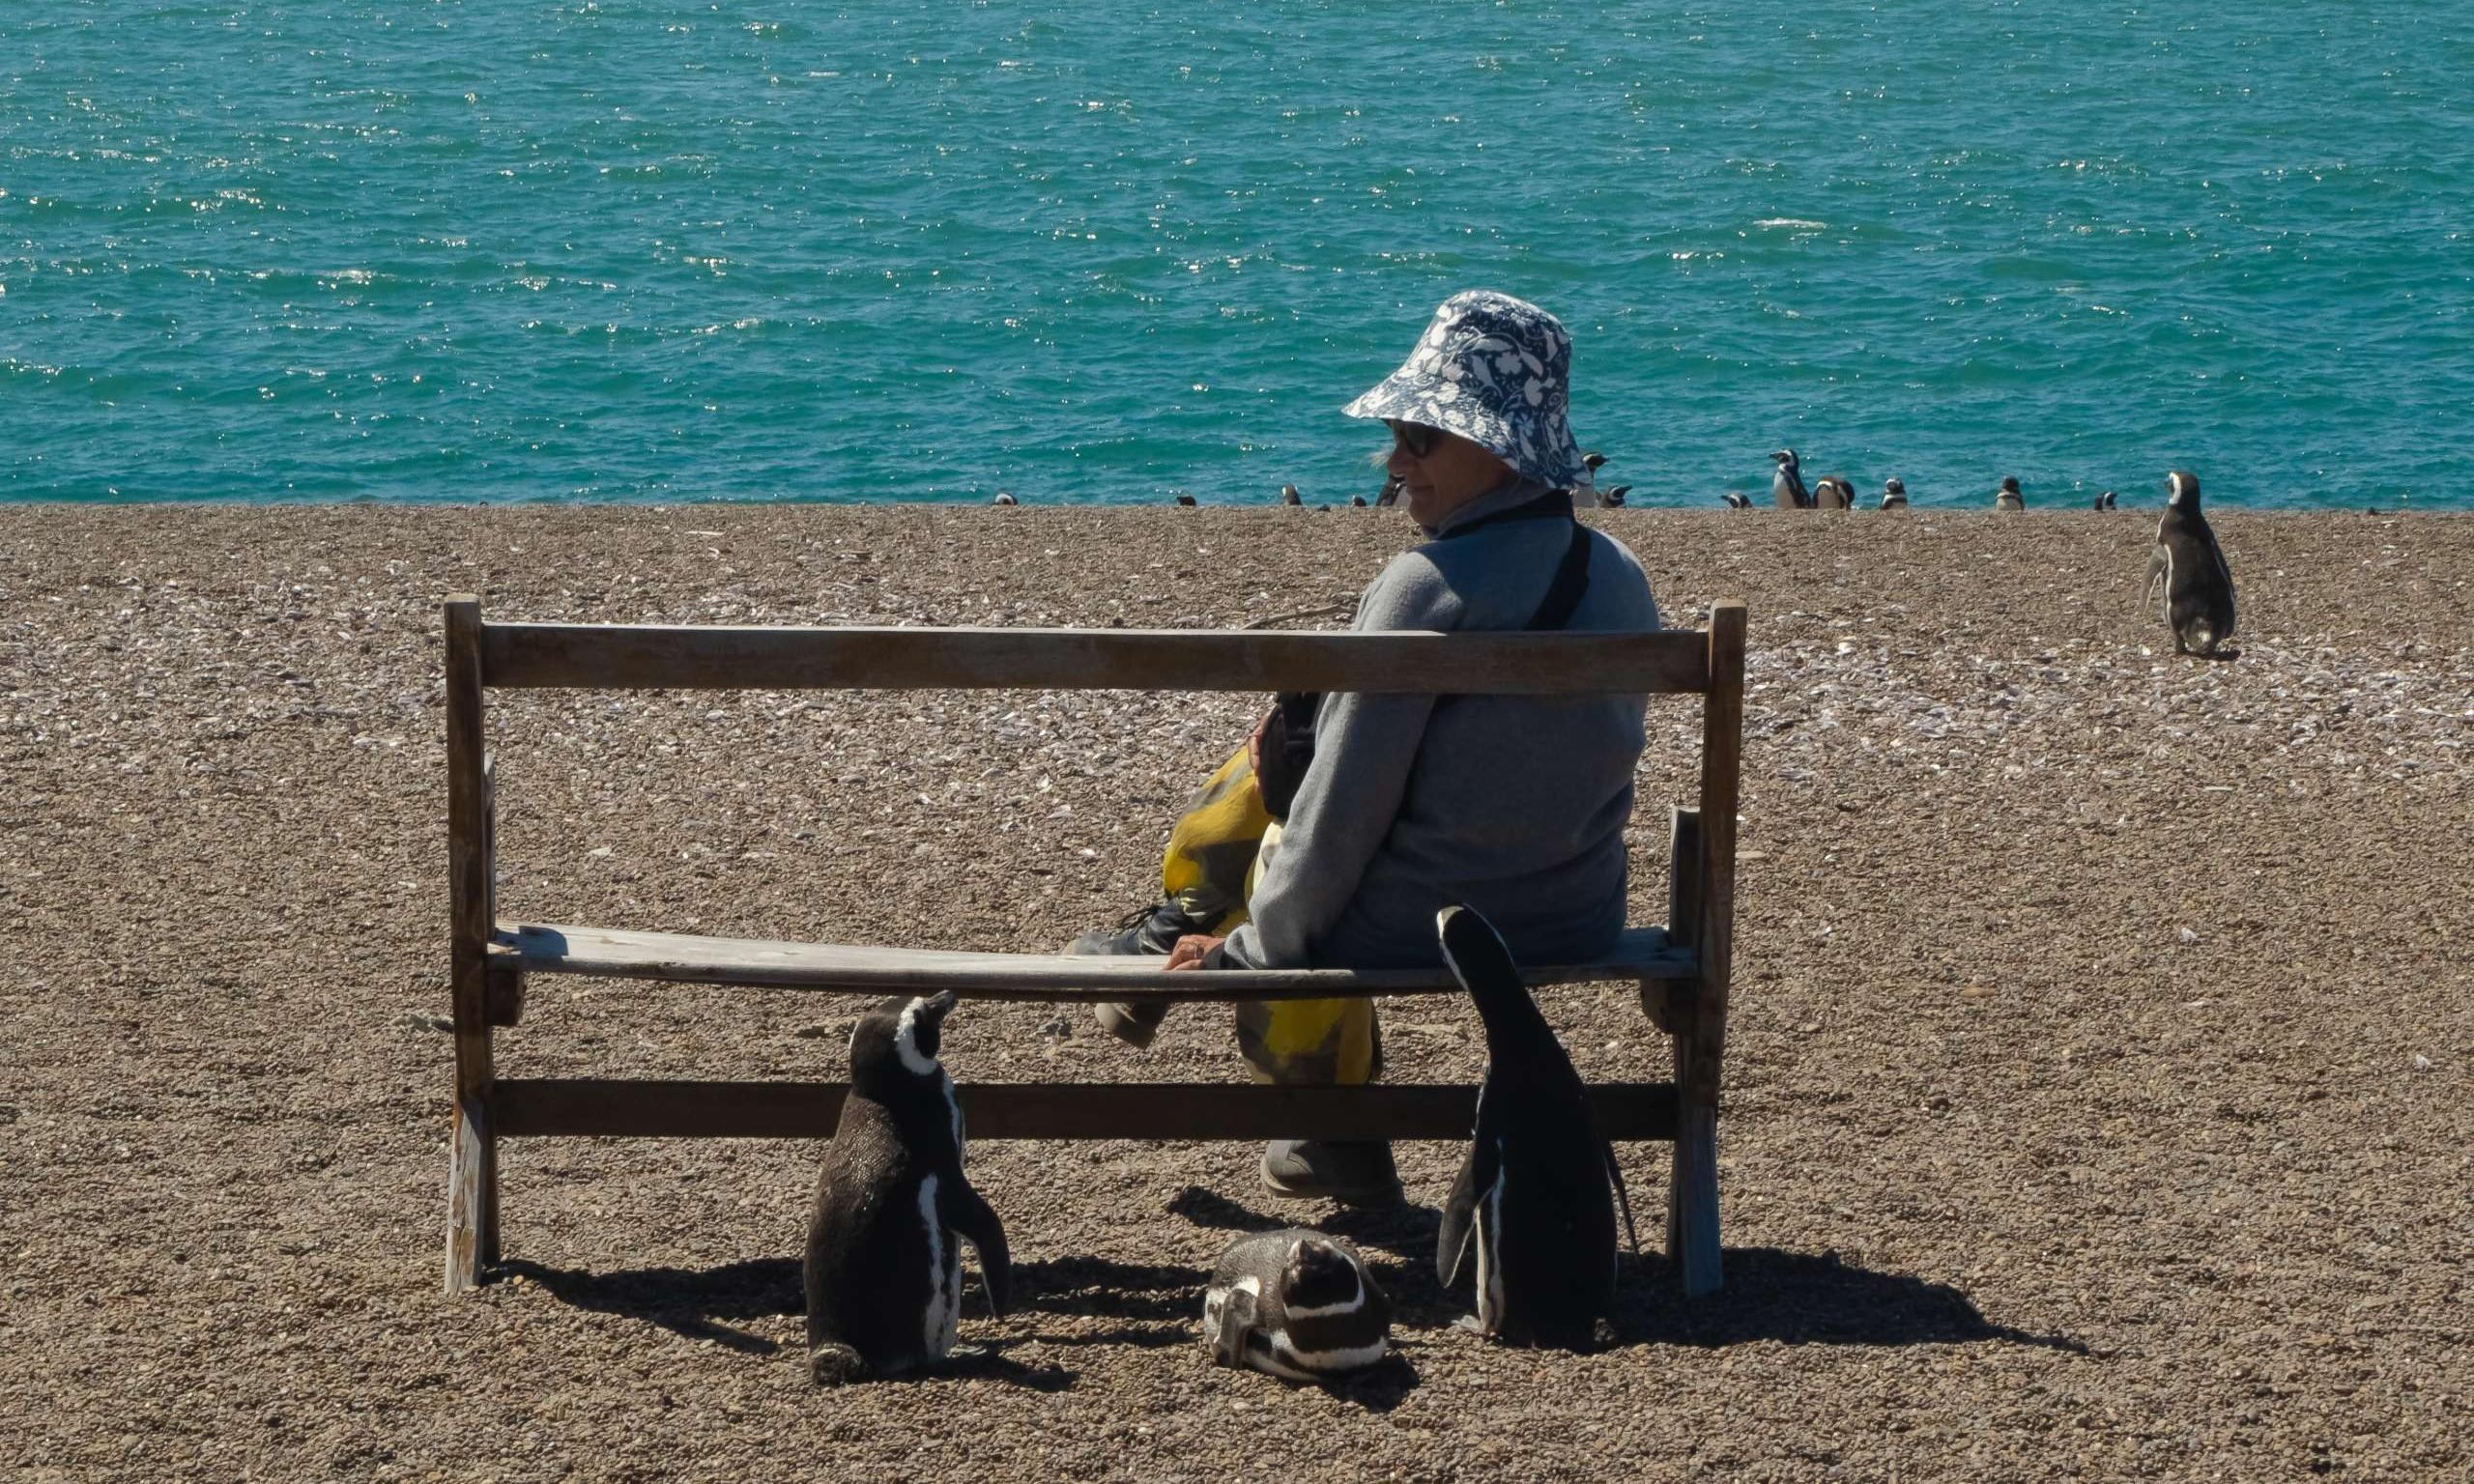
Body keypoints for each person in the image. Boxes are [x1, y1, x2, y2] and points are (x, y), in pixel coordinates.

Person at [1066, 290, 1661, 1205]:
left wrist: (1247, 955)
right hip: (1573, 910)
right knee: (1284, 752)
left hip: (1433, 923)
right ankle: (1166, 938)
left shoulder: (1423, 589)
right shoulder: (1620, 576)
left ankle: (1331, 1126)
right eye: (1399, 435)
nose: (1395, 461)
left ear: (1496, 448)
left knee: (1284, 855)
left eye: (1421, 439)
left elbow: (1338, 821)